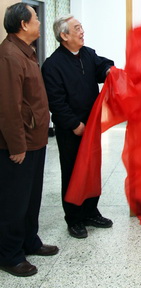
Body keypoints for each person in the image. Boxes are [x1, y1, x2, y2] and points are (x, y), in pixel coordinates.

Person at [42, 15, 114, 238]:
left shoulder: (87, 54)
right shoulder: (52, 65)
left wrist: (108, 70)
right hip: (70, 130)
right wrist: (74, 124)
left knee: (91, 169)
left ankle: (91, 212)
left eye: (81, 27)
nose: (82, 31)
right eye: (77, 28)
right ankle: (74, 218)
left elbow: (102, 66)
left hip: (91, 125)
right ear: (64, 35)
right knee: (73, 172)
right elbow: (56, 102)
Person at [0, 3, 59, 277]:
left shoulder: (26, 51)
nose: (39, 22)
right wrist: (17, 146)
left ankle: (29, 241)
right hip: (19, 144)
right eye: (35, 18)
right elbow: (8, 107)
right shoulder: (9, 55)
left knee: (31, 196)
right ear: (23, 24)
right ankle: (10, 255)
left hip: (35, 137)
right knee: (14, 201)